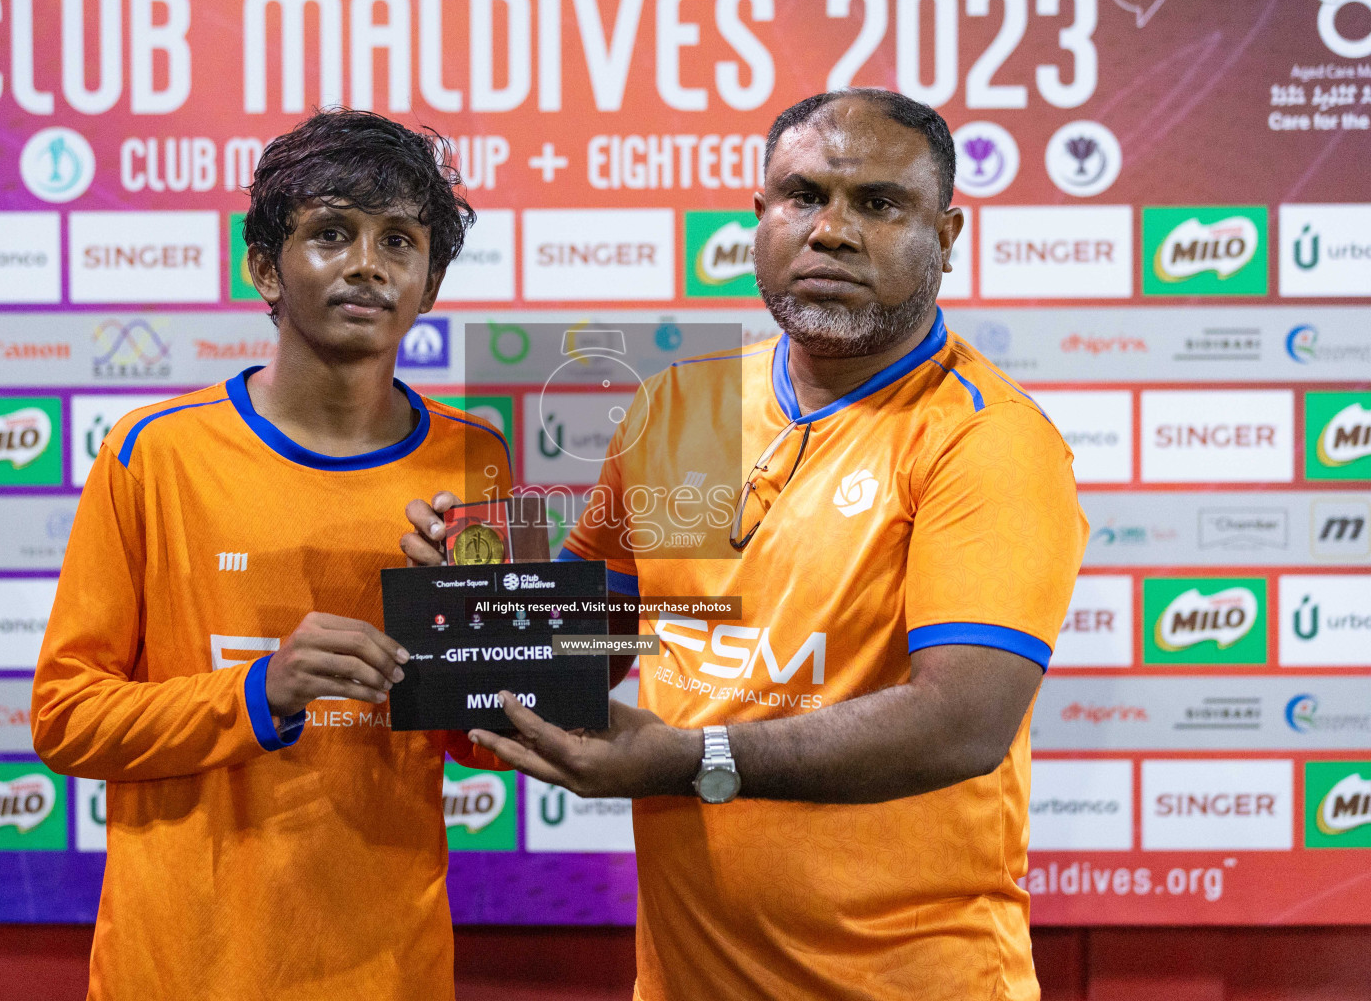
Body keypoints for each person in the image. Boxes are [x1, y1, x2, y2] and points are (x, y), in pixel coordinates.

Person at [402, 88, 1088, 1000]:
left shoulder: (985, 438)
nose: (833, 232)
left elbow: (962, 723)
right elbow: (577, 657)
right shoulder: (687, 412)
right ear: (759, 219)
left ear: (948, 235)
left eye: (879, 204)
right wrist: (479, 611)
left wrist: (694, 761)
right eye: (803, 197)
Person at [32, 109, 509, 1000]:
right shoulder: (153, 453)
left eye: (399, 241)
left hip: (387, 965)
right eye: (332, 233)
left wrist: (470, 640)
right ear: (263, 266)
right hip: (181, 967)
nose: (368, 263)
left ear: (430, 283)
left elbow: (477, 742)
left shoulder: (473, 460)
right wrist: (260, 692)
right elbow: (66, 717)